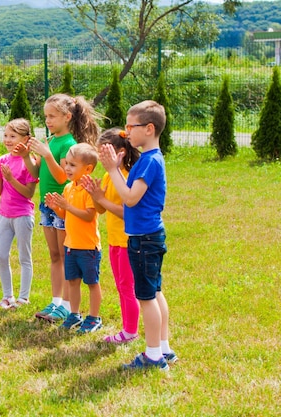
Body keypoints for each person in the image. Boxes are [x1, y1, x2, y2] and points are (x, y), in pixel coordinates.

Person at [99, 100, 176, 370]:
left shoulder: (147, 162)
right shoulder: (150, 159)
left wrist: (111, 170)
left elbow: (130, 199)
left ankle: (153, 356)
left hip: (143, 239)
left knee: (146, 298)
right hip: (149, 236)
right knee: (155, 292)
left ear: (150, 128)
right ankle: (164, 349)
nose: (126, 131)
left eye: (132, 126)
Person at [16, 93, 101, 324]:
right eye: (45, 116)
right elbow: (37, 175)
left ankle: (66, 305)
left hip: (64, 205)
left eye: (52, 116)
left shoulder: (68, 144)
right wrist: (26, 157)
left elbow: (63, 176)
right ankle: (56, 301)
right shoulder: (51, 141)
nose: (48, 121)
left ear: (67, 116)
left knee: (65, 255)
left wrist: (46, 155)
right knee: (54, 255)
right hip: (47, 204)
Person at [81, 128, 141, 343]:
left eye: (105, 153)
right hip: (114, 241)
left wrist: (102, 200)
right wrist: (94, 195)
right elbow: (101, 209)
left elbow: (129, 213)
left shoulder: (128, 177)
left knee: (127, 288)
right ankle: (128, 329)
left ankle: (130, 331)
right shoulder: (109, 174)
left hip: (128, 241)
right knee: (121, 286)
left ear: (121, 153)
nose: (101, 158)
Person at [44, 142, 103, 333]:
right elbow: (66, 216)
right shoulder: (68, 188)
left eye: (72, 165)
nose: (67, 168)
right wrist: (56, 207)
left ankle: (94, 318)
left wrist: (67, 207)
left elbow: (88, 215)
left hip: (88, 247)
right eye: (66, 163)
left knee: (92, 283)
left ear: (88, 169)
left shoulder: (88, 190)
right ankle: (74, 314)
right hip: (70, 245)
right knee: (73, 281)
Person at [0, 118, 38, 309]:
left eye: (13, 136)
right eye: (6, 135)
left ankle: (23, 297)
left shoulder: (30, 163)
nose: (7, 140)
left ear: (25, 139)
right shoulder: (2, 160)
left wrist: (10, 179)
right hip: (4, 214)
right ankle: (7, 296)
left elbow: (29, 193)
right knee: (0, 255)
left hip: (22, 215)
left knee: (24, 256)